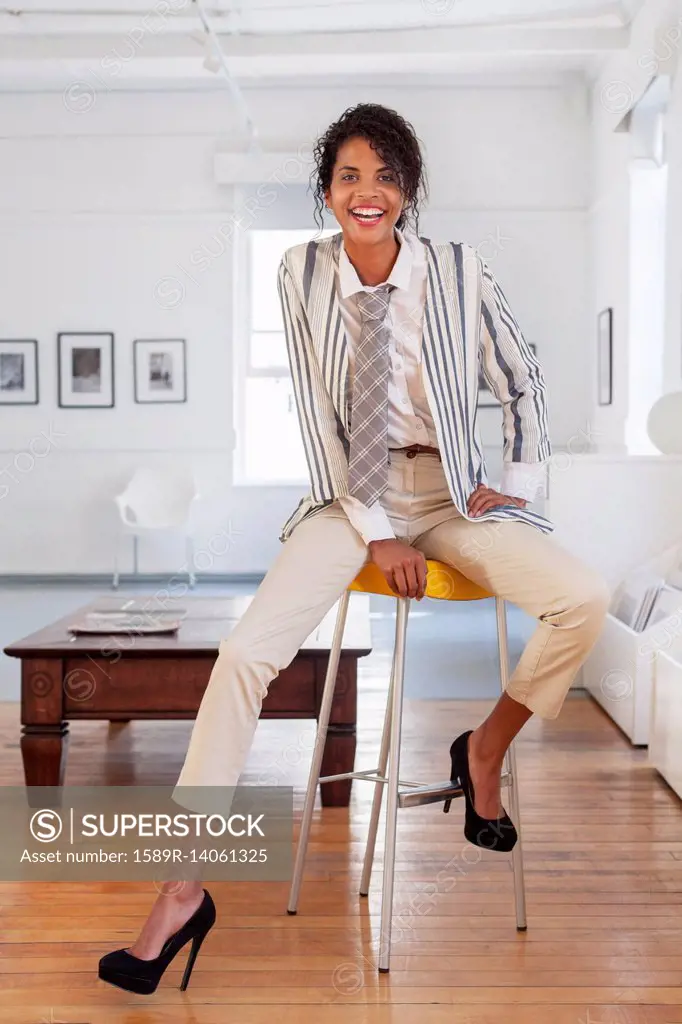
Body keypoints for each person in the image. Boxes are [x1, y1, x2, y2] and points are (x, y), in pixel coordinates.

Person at [98, 102, 610, 993]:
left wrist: (516, 485)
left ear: (408, 191)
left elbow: (521, 373)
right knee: (245, 653)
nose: (366, 193)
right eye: (349, 176)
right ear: (327, 191)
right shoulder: (300, 274)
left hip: (447, 489)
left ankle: (484, 749)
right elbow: (313, 414)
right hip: (346, 497)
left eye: (385, 176)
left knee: (583, 600)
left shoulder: (456, 269)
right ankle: (183, 887)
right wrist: (375, 528)